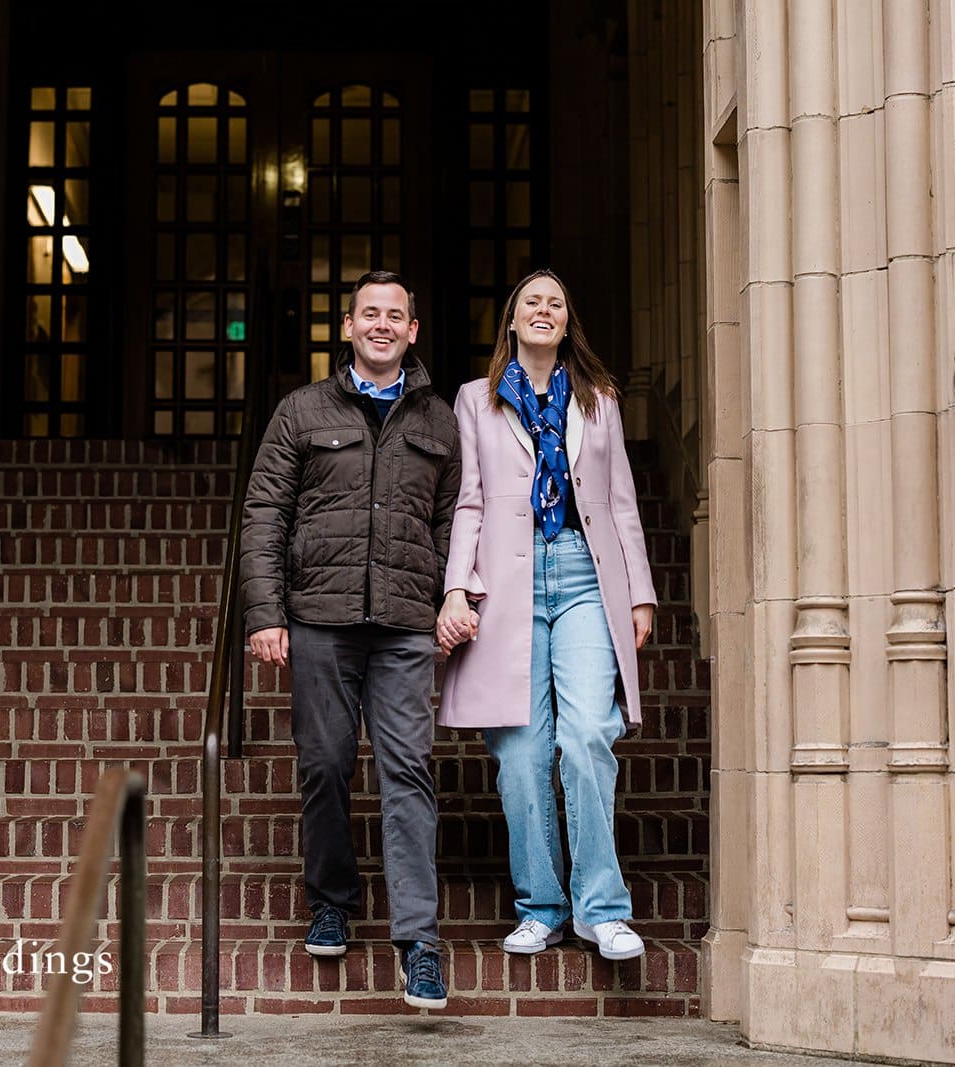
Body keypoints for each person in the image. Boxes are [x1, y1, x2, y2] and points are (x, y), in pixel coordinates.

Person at [240, 270, 461, 1009]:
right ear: (346, 325)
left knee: (407, 771)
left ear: (413, 329)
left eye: (395, 314)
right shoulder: (301, 410)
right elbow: (264, 514)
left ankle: (419, 943)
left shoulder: (439, 419)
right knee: (326, 764)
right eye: (370, 313)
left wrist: (449, 595)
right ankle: (331, 898)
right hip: (319, 619)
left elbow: (454, 519)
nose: (382, 324)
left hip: (403, 622)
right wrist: (265, 613)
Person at [435, 268, 656, 962]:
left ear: (566, 322)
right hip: (507, 584)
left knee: (589, 732)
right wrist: (455, 588)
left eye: (555, 302)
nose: (543, 309)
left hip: (586, 575)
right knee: (522, 755)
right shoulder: (476, 400)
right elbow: (469, 498)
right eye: (532, 300)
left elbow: (620, 499)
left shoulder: (599, 399)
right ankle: (542, 905)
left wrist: (641, 591)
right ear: (511, 319)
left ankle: (603, 909)